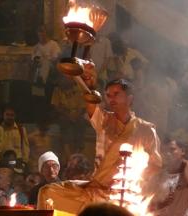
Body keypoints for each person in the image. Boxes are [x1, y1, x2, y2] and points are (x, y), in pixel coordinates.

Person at [37, 64, 162, 214]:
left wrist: (134, 185)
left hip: (125, 193)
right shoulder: (104, 120)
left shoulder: (146, 129)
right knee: (48, 192)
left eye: (116, 94)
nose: (111, 99)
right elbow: (91, 102)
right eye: (108, 95)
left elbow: (155, 165)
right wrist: (88, 84)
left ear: (130, 98)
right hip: (95, 189)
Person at [149, 140, 188, 216]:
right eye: (164, 151)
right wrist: (162, 203)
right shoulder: (157, 177)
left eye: (172, 149)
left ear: (182, 151)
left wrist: (187, 163)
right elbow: (148, 205)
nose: (167, 153)